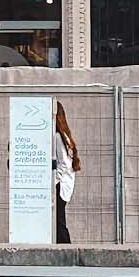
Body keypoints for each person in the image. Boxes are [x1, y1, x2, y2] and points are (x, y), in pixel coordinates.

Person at [53, 103, 81, 246]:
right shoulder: (65, 136)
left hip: (61, 184)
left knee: (59, 219)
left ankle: (65, 246)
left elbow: (63, 163)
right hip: (66, 183)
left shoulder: (58, 136)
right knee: (58, 218)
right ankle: (63, 246)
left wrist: (54, 182)